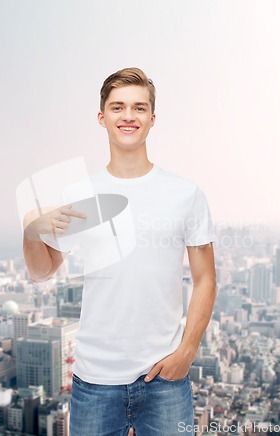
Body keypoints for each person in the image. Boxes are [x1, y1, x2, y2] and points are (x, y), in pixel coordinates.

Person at [23, 67, 216, 436]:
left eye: (139, 108)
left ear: (152, 119)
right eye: (118, 107)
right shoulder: (78, 194)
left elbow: (206, 278)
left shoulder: (186, 193)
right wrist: (30, 230)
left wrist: (187, 352)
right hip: (95, 381)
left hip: (165, 380)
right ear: (102, 117)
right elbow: (42, 270)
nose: (128, 116)